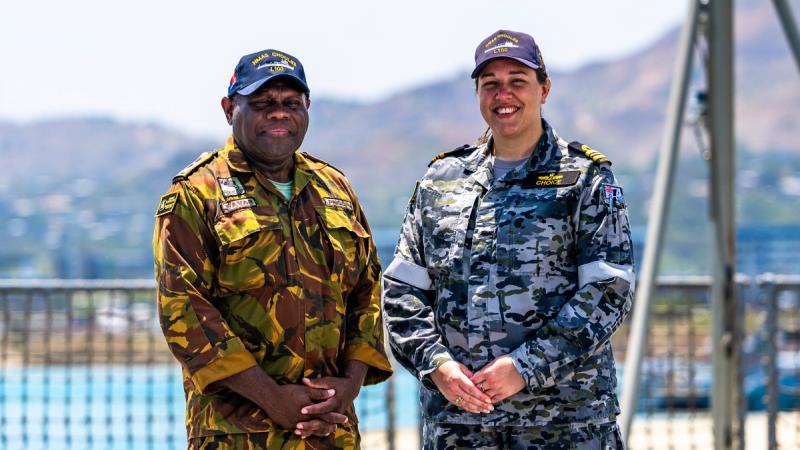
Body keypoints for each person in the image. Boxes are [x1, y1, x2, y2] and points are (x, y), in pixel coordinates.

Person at [383, 30, 634, 449]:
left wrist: (525, 367)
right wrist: (437, 365)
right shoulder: (441, 181)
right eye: (490, 83)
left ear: (544, 89)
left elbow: (609, 291)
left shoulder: (583, 178)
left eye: (518, 80)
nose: (504, 94)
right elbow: (403, 290)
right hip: (460, 428)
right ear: (478, 93)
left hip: (564, 425)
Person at [153, 48, 392, 450]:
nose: (279, 113)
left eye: (290, 103)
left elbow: (367, 290)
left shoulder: (335, 189)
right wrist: (272, 398)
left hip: (329, 431)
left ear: (307, 108)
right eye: (263, 103)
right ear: (230, 109)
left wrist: (349, 386)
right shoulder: (197, 194)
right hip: (237, 435)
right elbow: (184, 310)